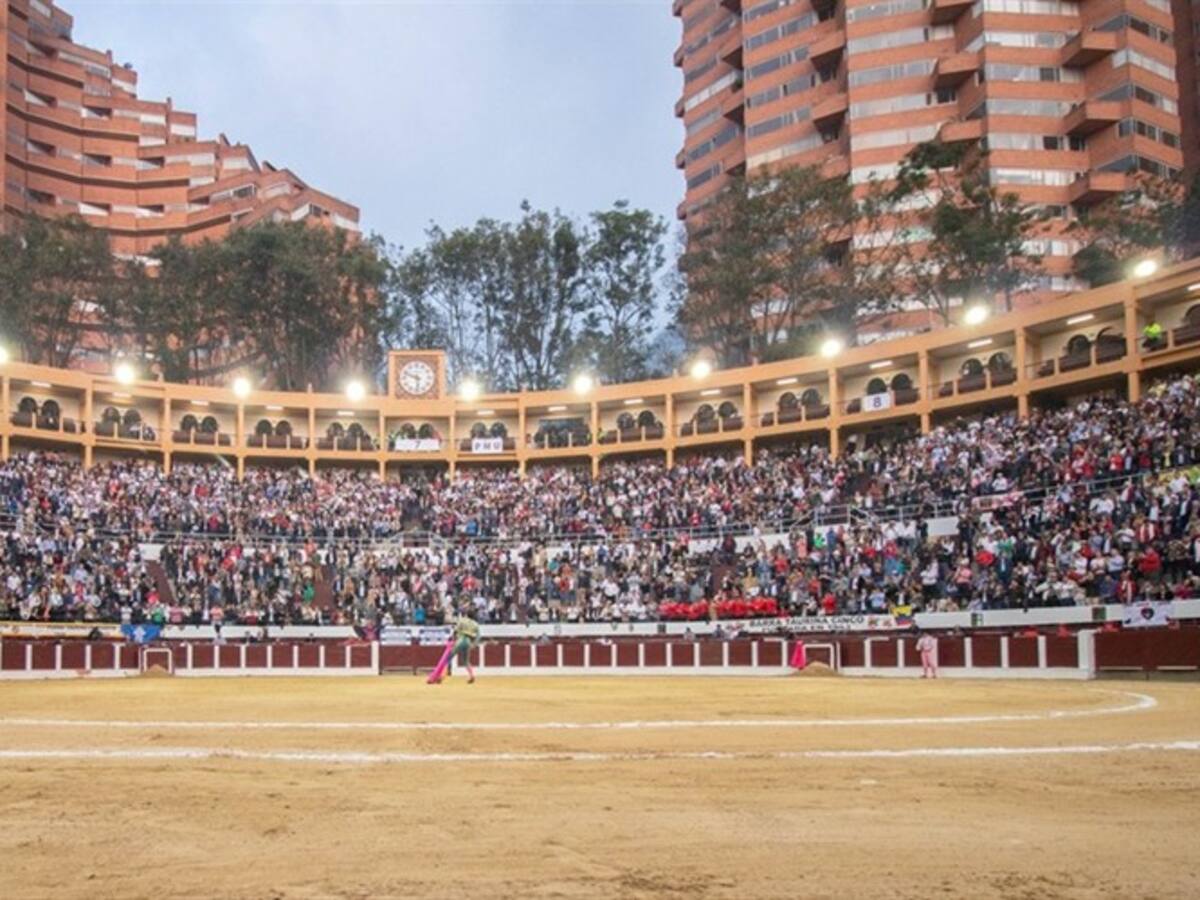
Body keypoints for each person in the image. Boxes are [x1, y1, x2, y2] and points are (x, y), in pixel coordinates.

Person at [451, 607, 480, 684]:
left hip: (461, 640)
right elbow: (478, 636)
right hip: (468, 642)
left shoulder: (462, 620)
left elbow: (455, 631)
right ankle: (471, 675)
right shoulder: (475, 624)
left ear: (467, 614)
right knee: (466, 661)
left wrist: (453, 640)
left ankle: (440, 675)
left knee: (449, 657)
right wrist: (474, 644)